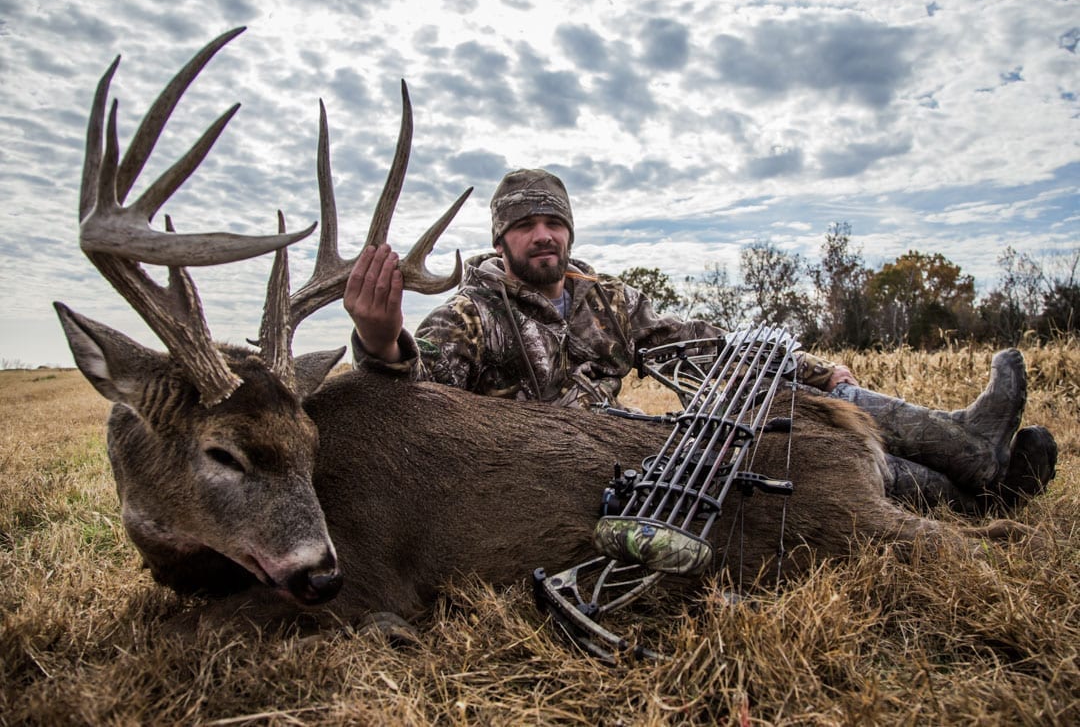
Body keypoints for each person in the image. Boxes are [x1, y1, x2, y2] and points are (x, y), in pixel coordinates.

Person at [345, 168, 1056, 513]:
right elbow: (418, 410)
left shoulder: (610, 302)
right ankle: (971, 497)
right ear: (501, 239)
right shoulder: (471, 316)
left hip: (621, 446)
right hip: (548, 483)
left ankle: (965, 451)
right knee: (767, 477)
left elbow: (708, 349)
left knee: (770, 408)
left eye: (553, 222)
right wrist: (381, 344)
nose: (543, 235)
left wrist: (814, 372)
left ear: (569, 231)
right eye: (526, 225)